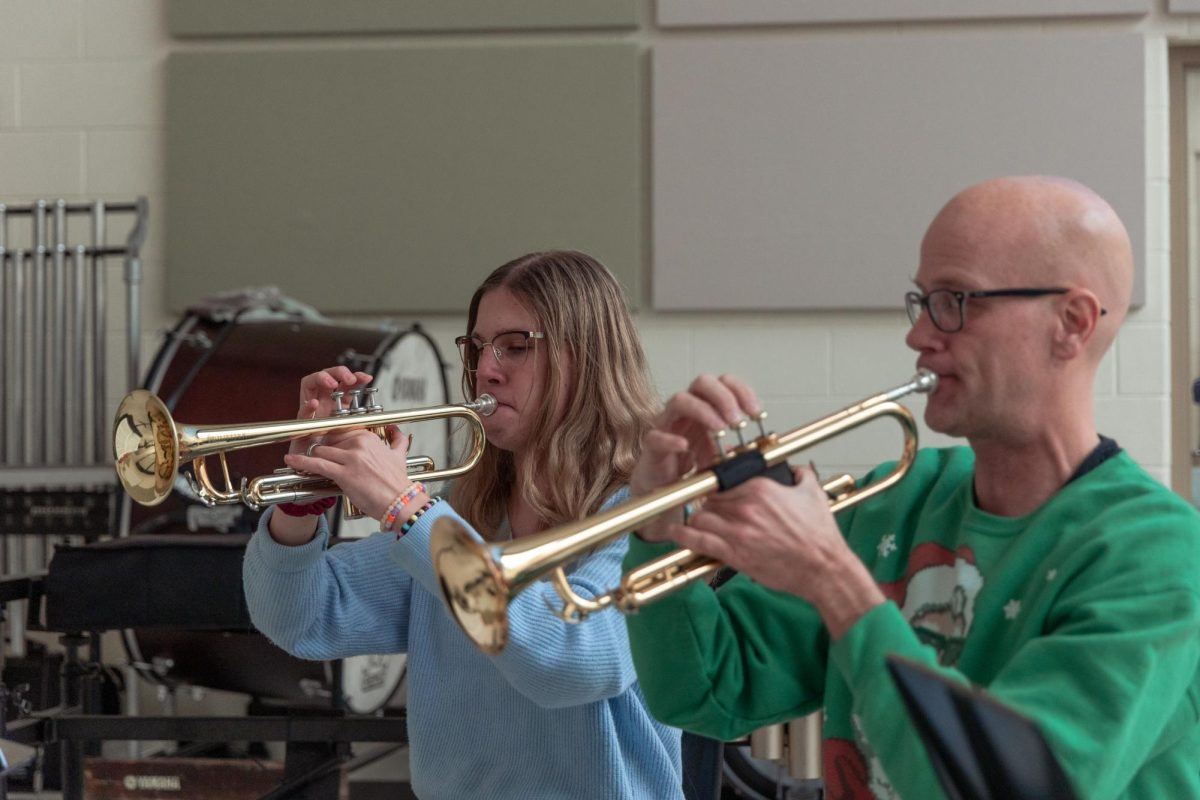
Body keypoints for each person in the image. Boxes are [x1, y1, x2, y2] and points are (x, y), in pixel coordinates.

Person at [622, 176, 1200, 799]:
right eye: (921, 301)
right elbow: (704, 690)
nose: (919, 335)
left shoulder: (1157, 554)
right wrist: (659, 527)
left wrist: (831, 578)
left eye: (955, 301)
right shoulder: (898, 497)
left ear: (1071, 322)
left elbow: (1013, 787)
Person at [243, 250, 684, 799]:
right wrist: (301, 506)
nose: (487, 369)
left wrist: (406, 507)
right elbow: (302, 620)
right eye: (476, 348)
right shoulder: (465, 513)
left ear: (586, 358)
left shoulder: (647, 512)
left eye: (516, 347)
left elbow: (569, 663)